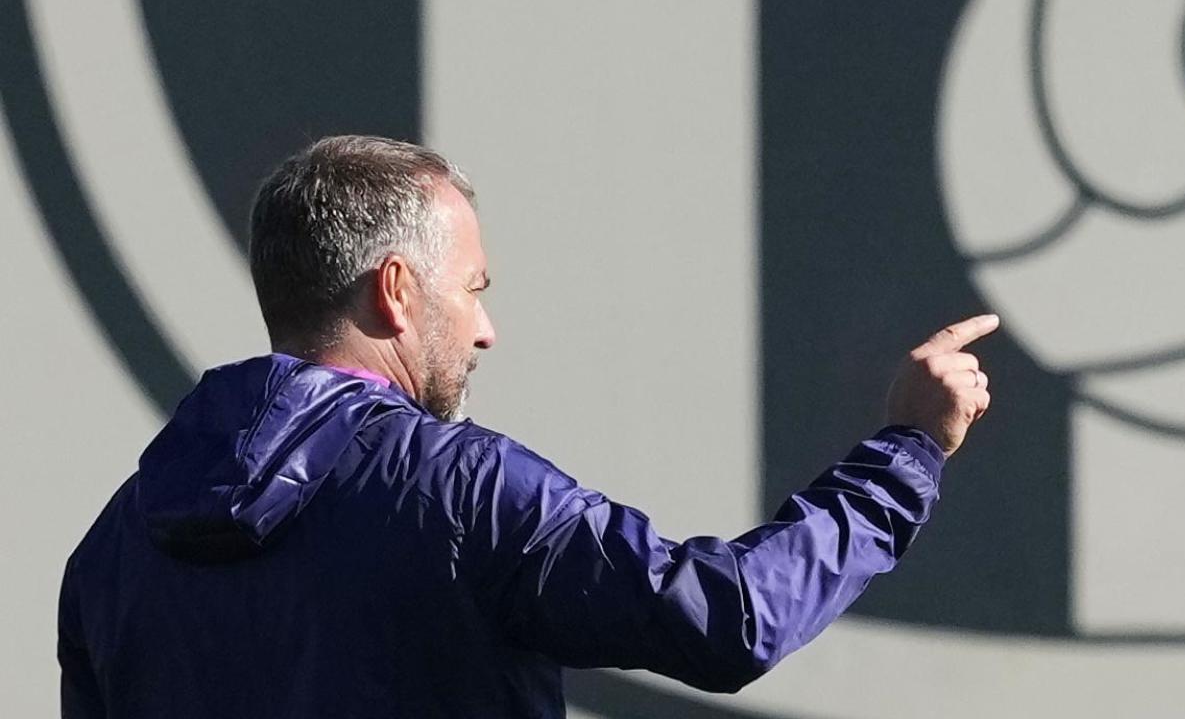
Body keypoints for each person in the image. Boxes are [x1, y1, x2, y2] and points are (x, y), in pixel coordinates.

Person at [57, 135, 997, 718]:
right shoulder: (459, 491)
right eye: (472, 289)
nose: (486, 329)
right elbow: (729, 621)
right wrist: (906, 453)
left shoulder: (112, 548)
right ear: (396, 289)